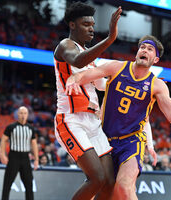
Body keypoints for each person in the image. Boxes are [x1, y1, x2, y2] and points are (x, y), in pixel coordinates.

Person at [65, 34, 171, 199]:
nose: (144, 50)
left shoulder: (157, 85)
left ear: (155, 59)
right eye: (142, 47)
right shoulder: (116, 67)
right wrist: (74, 79)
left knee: (124, 186)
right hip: (105, 140)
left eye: (150, 49)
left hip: (132, 141)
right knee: (106, 192)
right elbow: (88, 74)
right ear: (137, 53)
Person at [53, 2, 122, 200]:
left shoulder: (91, 59)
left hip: (93, 123)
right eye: (85, 24)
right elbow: (77, 60)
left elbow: (103, 85)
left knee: (109, 183)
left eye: (92, 24)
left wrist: (142, 80)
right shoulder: (66, 46)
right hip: (71, 121)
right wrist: (110, 39)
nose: (91, 28)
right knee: (97, 178)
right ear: (72, 25)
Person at [0, 106, 38, 200]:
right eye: (21, 113)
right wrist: (2, 155)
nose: (23, 115)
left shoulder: (31, 128)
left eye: (25, 113)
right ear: (17, 114)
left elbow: (34, 144)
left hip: (25, 158)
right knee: (7, 184)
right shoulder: (11, 127)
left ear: (28, 115)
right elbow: (3, 140)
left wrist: (36, 159)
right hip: (14, 157)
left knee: (29, 185)